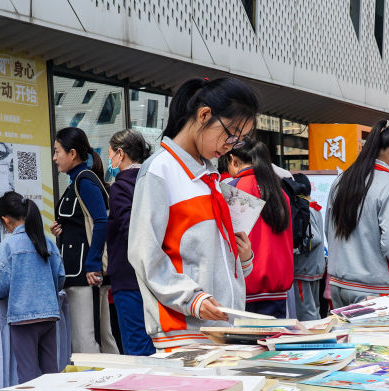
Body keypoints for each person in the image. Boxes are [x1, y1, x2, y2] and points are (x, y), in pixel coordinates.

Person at [128, 77, 256, 349]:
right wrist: (192, 299)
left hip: (224, 330)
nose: (231, 145)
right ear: (204, 115)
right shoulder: (159, 171)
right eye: (231, 134)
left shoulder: (211, 176)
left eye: (240, 140)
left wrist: (243, 258)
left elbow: (209, 255)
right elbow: (144, 255)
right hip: (185, 335)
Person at [326, 119, 389, 308]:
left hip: (338, 283)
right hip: (372, 287)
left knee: (345, 337)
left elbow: (329, 230)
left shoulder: (341, 180)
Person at [51, 126, 118, 354]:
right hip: (78, 271)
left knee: (86, 339)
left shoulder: (84, 181)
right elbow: (84, 221)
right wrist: (63, 228)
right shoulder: (79, 180)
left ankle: (94, 385)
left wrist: (93, 264)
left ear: (72, 154)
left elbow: (101, 221)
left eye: (57, 151)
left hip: (83, 274)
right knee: (95, 337)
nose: (54, 157)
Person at [0, 192, 65, 383]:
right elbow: (60, 276)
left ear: (6, 220)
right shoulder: (45, 241)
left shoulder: (8, 245)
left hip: (23, 319)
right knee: (51, 373)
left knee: (28, 375)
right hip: (49, 314)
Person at [225, 138, 293, 317]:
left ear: (234, 160)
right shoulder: (280, 193)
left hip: (244, 289)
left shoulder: (232, 191)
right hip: (277, 290)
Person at [105, 128, 155, 356]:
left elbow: (129, 231)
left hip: (128, 275)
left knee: (135, 347)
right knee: (152, 343)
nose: (110, 159)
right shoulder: (150, 181)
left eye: (111, 154)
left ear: (121, 154)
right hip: (154, 275)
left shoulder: (120, 187)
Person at [290, 172, 326, 321]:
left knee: (305, 311)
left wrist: (296, 248)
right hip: (315, 267)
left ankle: (311, 338)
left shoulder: (304, 209)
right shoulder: (314, 207)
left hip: (304, 268)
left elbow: (315, 237)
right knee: (314, 307)